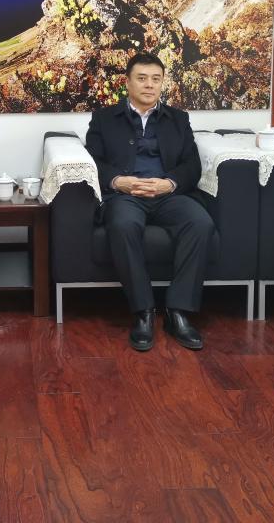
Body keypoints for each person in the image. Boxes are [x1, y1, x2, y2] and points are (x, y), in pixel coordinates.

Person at [86, 52, 216, 352]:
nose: (149, 85)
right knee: (122, 225)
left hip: (168, 194)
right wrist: (118, 181)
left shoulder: (178, 119)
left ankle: (178, 311)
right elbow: (93, 160)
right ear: (127, 82)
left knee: (200, 223)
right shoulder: (104, 119)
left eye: (156, 79)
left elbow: (191, 165)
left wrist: (169, 183)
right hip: (126, 195)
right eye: (142, 78)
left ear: (162, 83)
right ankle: (143, 311)